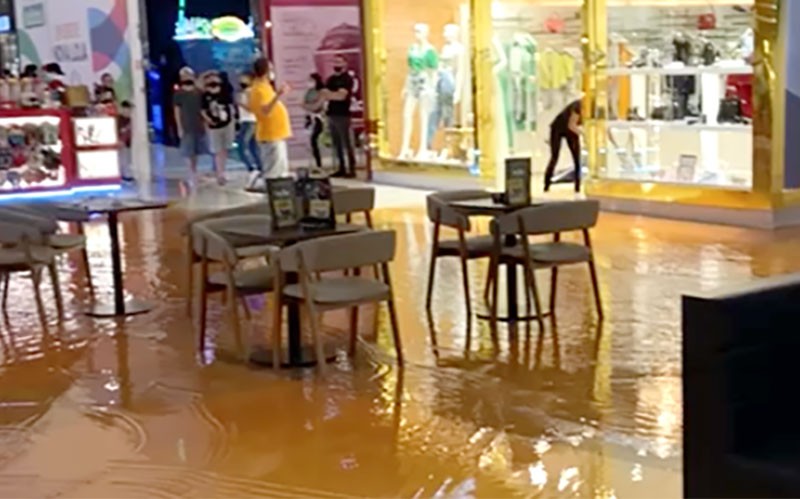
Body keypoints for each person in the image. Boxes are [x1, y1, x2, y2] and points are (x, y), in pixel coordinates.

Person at [250, 57, 291, 180]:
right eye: (271, 69)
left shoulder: (266, 86)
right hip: (269, 134)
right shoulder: (258, 89)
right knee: (274, 170)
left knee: (282, 168)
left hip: (276, 133)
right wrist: (278, 95)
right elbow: (265, 110)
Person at [201, 70, 238, 186]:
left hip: (226, 124)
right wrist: (208, 120)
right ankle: (219, 173)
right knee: (217, 150)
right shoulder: (205, 95)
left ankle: (222, 171)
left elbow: (231, 107)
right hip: (214, 126)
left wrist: (234, 121)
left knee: (224, 149)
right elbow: (202, 110)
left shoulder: (225, 92)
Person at [322, 55, 356, 177]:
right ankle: (341, 167)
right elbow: (324, 94)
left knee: (346, 142)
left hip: (343, 115)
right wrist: (333, 94)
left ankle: (351, 168)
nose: (337, 64)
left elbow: (341, 96)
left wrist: (332, 94)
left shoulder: (347, 79)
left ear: (345, 64)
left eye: (339, 62)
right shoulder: (330, 79)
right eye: (335, 61)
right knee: (337, 144)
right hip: (331, 113)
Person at [173, 66, 206, 185]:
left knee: (195, 151)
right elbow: (177, 110)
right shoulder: (179, 94)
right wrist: (179, 127)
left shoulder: (198, 92)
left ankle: (194, 170)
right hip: (186, 124)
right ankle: (191, 172)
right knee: (187, 150)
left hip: (198, 124)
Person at [543, 98, 582, 192]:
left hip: (570, 130)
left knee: (577, 158)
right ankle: (546, 184)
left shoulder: (592, 108)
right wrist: (584, 134)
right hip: (558, 128)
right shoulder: (578, 105)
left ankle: (577, 187)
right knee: (555, 156)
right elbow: (571, 125)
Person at [236, 72, 262, 187]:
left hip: (249, 121)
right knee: (253, 146)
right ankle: (260, 169)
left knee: (242, 146)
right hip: (247, 121)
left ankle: (252, 168)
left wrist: (241, 104)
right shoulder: (244, 92)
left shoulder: (250, 92)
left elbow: (252, 108)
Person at [303, 73, 326, 170]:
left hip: (319, 118)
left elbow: (319, 106)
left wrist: (313, 108)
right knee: (311, 142)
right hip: (310, 118)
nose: (309, 82)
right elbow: (305, 104)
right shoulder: (308, 92)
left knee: (314, 140)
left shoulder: (321, 92)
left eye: (311, 80)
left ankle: (319, 164)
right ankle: (315, 163)